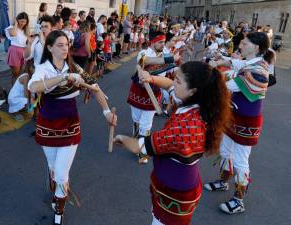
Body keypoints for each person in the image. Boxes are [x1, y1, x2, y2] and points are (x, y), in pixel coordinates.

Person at [115, 61, 231, 225]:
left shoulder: (185, 128)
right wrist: (151, 78)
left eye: (178, 80)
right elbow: (169, 85)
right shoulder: (196, 106)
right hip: (176, 187)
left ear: (193, 90)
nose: (173, 82)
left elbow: (139, 147)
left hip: (176, 194)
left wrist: (122, 138)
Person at [27, 30, 117, 225]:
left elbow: (95, 88)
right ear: (49, 48)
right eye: (59, 45)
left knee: (61, 173)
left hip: (70, 124)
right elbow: (33, 87)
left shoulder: (75, 66)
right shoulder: (43, 68)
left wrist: (107, 112)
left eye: (66, 44)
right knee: (53, 168)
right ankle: (56, 186)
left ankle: (59, 212)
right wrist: (63, 78)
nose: (65, 48)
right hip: (47, 125)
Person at [204, 32, 270, 214]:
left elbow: (227, 85)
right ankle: (223, 182)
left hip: (247, 124)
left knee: (241, 162)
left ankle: (239, 200)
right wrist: (221, 60)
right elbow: (234, 63)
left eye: (245, 42)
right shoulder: (250, 63)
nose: (241, 44)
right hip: (233, 118)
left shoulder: (259, 70)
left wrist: (212, 70)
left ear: (256, 47)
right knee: (226, 152)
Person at [126, 31, 179, 164]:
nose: (162, 44)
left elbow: (173, 72)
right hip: (137, 94)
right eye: (160, 42)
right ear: (153, 42)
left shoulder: (165, 54)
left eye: (163, 41)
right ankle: (137, 143)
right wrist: (169, 59)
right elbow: (147, 61)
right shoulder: (144, 53)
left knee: (146, 125)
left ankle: (142, 151)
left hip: (154, 95)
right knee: (136, 122)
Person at [5, 12, 29, 82]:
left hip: (24, 51)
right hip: (14, 51)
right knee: (15, 74)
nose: (23, 23)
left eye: (25, 22)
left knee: (21, 73)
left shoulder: (25, 30)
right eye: (21, 21)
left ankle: (18, 89)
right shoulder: (11, 28)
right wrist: (15, 24)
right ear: (17, 20)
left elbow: (27, 41)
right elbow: (13, 34)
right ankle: (13, 90)